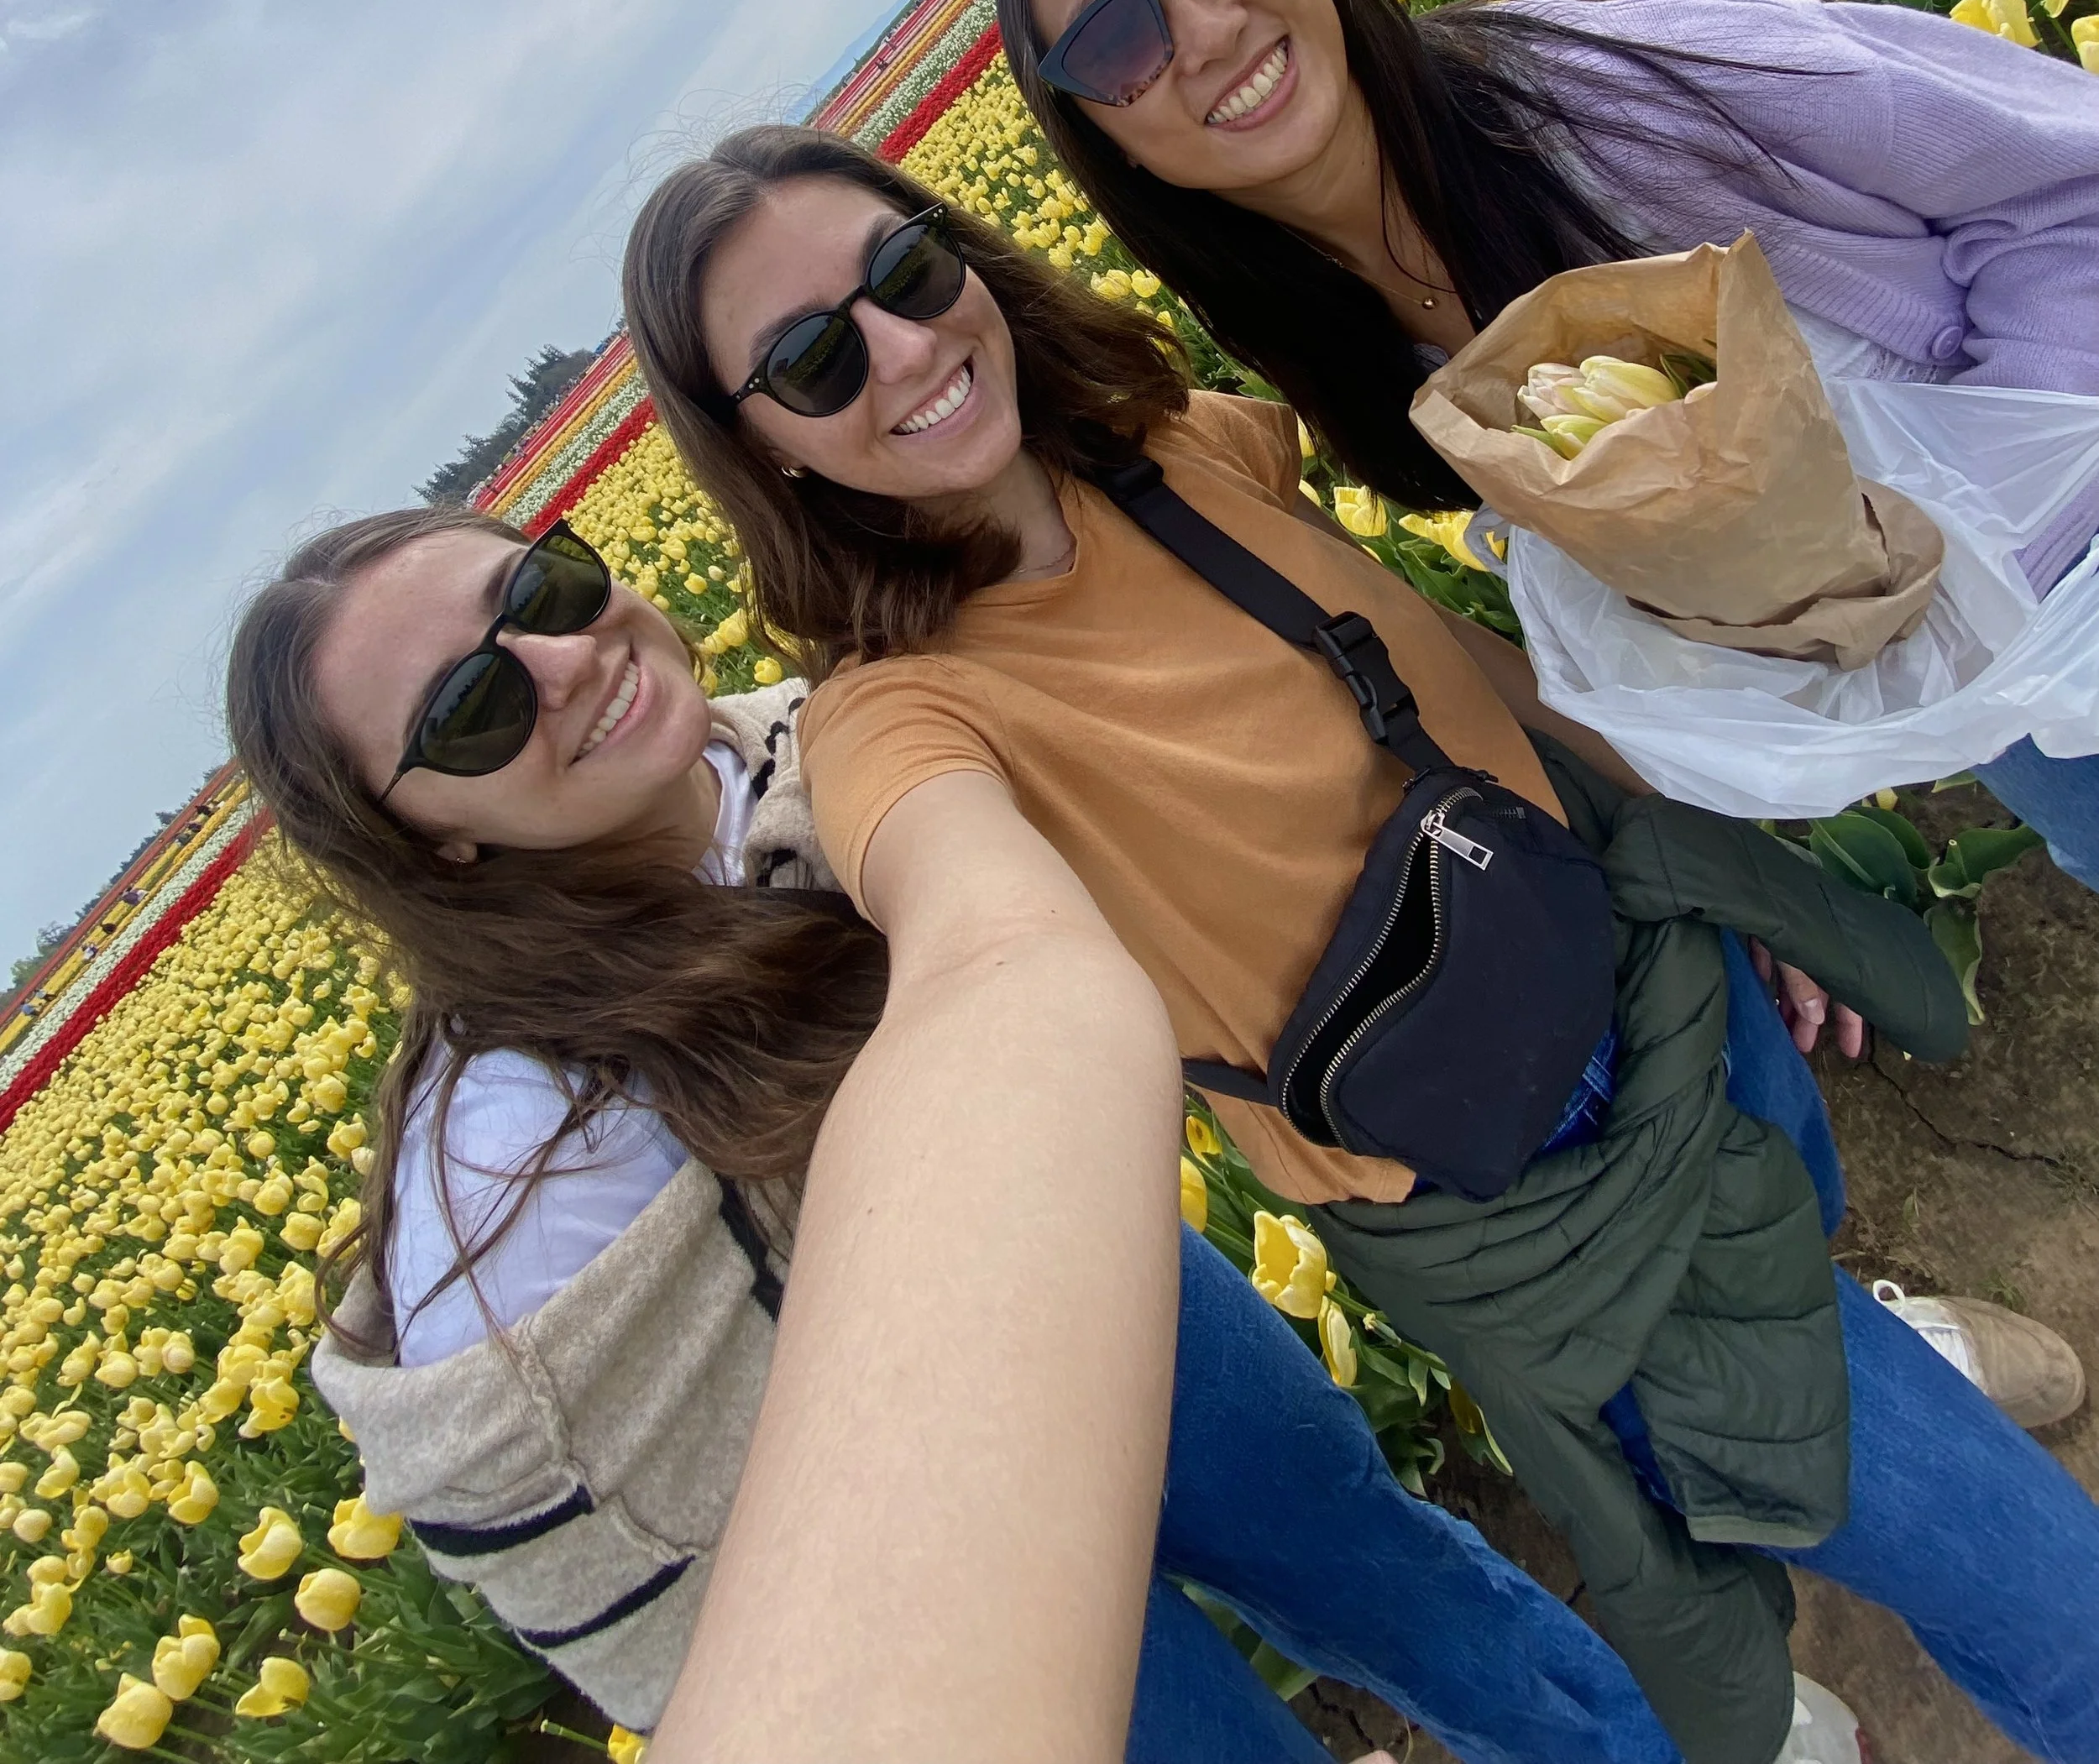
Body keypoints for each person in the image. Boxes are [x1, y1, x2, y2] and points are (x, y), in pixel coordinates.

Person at [622, 123, 2099, 1764]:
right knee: (2059, 1609)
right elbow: (967, 919)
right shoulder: (892, 719)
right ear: (767, 454)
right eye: (815, 359)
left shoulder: (1167, 443)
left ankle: (1863, 1352)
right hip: (1527, 1195)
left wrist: (1678, 833)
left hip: (1636, 953)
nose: (902, 349)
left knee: (1803, 1249)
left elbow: (1423, 655)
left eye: (903, 273)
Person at [230, 509, 1677, 1764]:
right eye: (471, 709)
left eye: (540, 593)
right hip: (913, 1558)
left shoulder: (806, 745)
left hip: (1102, 1277)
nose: (566, 661)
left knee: (1402, 1576)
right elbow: (605, 1522)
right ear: (426, 841)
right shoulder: (520, 1159)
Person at [993, 0, 2099, 900]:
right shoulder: (1346, 348)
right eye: (1115, 42)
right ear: (1107, 139)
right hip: (1987, 694)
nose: (1202, 26)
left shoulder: (1622, 90)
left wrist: (2002, 521)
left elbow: (2066, 176)